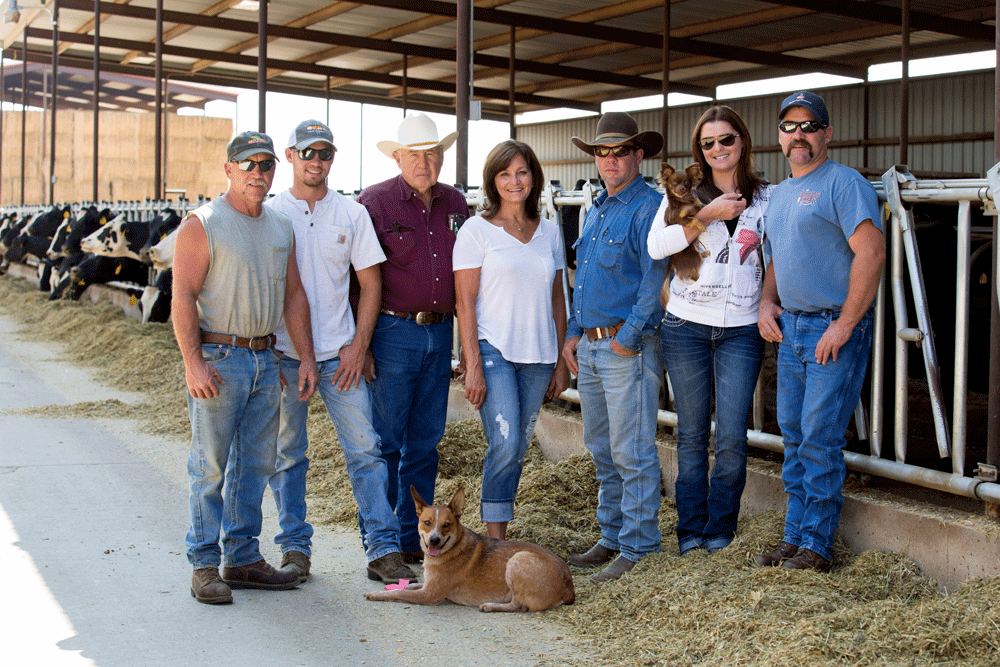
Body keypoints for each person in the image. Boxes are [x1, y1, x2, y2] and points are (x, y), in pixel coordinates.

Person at [173, 130, 318, 605]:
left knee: (255, 465)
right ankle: (203, 564)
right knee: (210, 465)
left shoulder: (279, 225)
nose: (258, 172)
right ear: (229, 168)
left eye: (266, 164)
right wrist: (193, 363)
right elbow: (183, 297)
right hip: (218, 358)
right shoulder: (204, 223)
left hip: (265, 357)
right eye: (248, 164)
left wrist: (305, 356)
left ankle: (242, 557)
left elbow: (293, 295)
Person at [267, 120, 413, 584]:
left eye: (324, 154)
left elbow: (371, 284)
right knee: (288, 454)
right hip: (285, 356)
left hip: (340, 357)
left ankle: (382, 549)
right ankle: (295, 548)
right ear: (290, 156)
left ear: (333, 160)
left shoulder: (351, 214)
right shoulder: (271, 213)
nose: (316, 162)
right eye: (308, 153)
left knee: (366, 450)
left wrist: (358, 346)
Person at [755, 91, 884, 572]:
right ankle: (794, 535)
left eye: (809, 126)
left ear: (826, 133)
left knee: (819, 436)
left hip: (832, 328)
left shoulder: (844, 184)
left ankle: (817, 544)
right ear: (780, 136)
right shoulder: (782, 193)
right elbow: (775, 258)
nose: (798, 135)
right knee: (792, 433)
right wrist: (768, 301)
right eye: (789, 127)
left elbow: (870, 253)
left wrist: (846, 324)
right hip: (792, 329)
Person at [646, 106, 772, 556]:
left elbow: (774, 255)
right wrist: (709, 215)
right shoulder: (684, 194)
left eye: (726, 139)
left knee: (733, 435)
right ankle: (690, 529)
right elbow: (657, 244)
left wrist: (769, 301)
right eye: (708, 142)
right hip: (685, 325)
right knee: (693, 433)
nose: (718, 149)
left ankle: (721, 529)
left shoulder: (766, 197)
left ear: (742, 142)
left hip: (741, 329)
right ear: (699, 150)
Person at [561, 112, 669, 582]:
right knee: (602, 447)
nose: (610, 160)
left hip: (627, 345)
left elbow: (655, 276)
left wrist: (629, 336)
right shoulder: (599, 207)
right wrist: (572, 331)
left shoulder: (650, 206)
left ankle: (639, 545)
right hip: (592, 344)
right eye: (602, 153)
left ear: (638, 155)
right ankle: (612, 536)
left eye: (620, 151)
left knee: (632, 448)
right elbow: (582, 277)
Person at [356, 113, 468, 563]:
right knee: (384, 442)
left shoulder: (457, 203)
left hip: (439, 333)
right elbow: (356, 278)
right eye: (415, 154)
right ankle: (381, 543)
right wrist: (360, 345)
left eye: (432, 153)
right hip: (392, 331)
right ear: (398, 157)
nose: (425, 162)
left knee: (425, 442)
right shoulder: (374, 203)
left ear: (442, 156)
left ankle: (412, 539)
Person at [453, 140, 570, 540]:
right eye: (504, 173)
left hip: (538, 355)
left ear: (533, 177)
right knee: (503, 443)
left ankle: (497, 529)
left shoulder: (550, 232)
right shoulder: (476, 231)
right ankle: (494, 542)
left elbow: (557, 298)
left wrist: (559, 361)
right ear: (493, 180)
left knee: (518, 447)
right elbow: (464, 303)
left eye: (521, 172)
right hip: (494, 350)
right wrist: (472, 366)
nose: (514, 181)